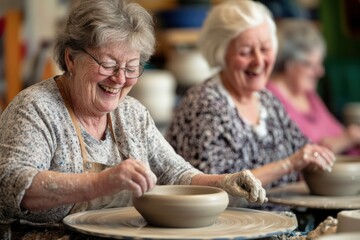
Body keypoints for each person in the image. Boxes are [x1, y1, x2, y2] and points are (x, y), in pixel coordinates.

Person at [0, 0, 267, 235]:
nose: (119, 79)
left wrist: (223, 182)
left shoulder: (132, 114)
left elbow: (176, 173)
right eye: (108, 64)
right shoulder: (36, 108)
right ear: (71, 58)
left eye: (131, 67)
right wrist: (101, 183)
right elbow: (12, 184)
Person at [165, 0, 335, 203]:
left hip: (280, 220)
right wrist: (289, 164)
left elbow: (304, 154)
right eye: (245, 52)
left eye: (265, 49)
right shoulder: (203, 105)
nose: (258, 61)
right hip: (231, 227)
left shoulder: (267, 100)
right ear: (221, 54)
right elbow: (213, 191)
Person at [267, 19, 360, 155]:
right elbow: (294, 155)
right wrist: (347, 139)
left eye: (320, 64)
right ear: (289, 63)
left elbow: (337, 133)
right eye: (311, 65)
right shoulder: (269, 98)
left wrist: (350, 136)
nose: (320, 72)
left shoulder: (308, 95)